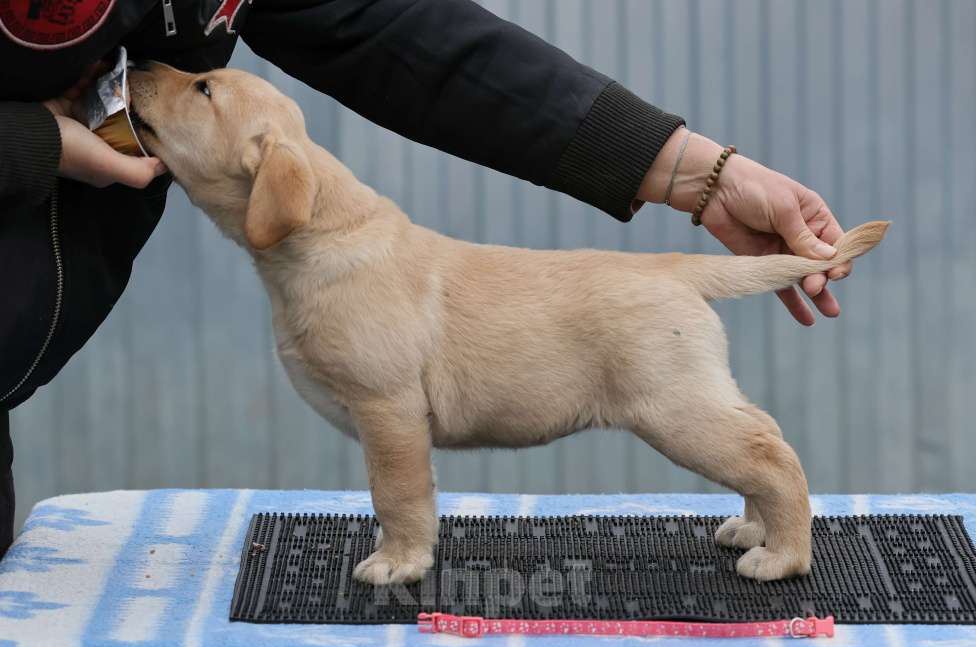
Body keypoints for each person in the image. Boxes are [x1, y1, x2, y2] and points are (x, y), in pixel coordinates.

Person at [0, 0, 850, 556]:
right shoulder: (327, 263)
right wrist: (29, 145)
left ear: (276, 188)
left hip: (623, 323)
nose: (158, 81)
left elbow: (390, 29)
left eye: (203, 89)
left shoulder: (337, 256)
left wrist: (694, 173)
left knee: (694, 419)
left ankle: (782, 499)